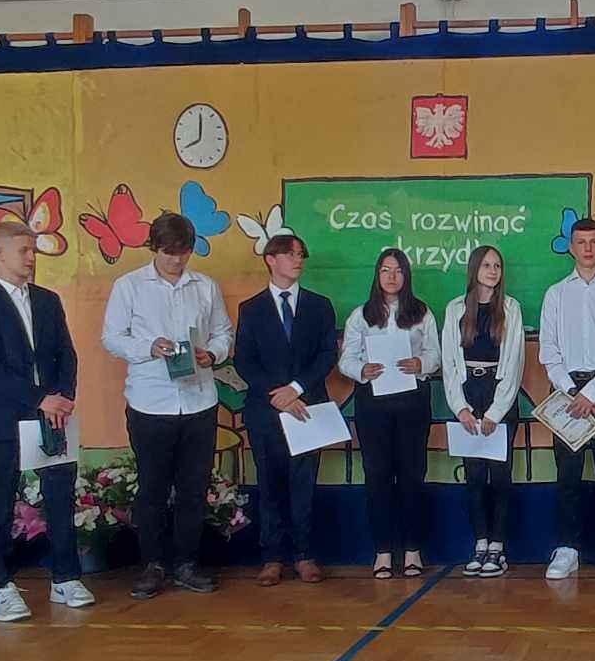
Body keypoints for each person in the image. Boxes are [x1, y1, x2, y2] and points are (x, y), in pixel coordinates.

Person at [0, 219, 92, 621]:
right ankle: (0, 585)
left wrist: (62, 398)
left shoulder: (48, 300)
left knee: (60, 494)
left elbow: (66, 354)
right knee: (1, 497)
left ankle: (65, 577)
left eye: (34, 250)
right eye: (24, 250)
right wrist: (38, 398)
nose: (32, 257)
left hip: (53, 415)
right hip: (5, 416)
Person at [102, 212, 233, 600]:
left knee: (194, 488)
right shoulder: (129, 286)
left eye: (184, 252)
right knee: (153, 489)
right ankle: (153, 564)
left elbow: (224, 333)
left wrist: (213, 353)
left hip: (199, 401)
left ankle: (187, 564)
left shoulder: (205, 286)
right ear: (154, 248)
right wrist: (149, 347)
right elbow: (111, 337)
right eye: (169, 252)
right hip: (150, 402)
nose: (177, 260)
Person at [233, 233, 339, 588]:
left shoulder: (319, 305)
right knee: (270, 483)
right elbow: (244, 360)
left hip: (307, 408)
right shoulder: (251, 309)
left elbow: (327, 354)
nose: (298, 260)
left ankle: (304, 554)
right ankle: (272, 557)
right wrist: (277, 394)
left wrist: (296, 389)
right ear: (271, 259)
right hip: (266, 410)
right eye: (291, 254)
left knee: (303, 484)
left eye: (301, 255)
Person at [538, 218, 595, 580]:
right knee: (568, 475)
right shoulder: (556, 294)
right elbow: (548, 350)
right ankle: (568, 549)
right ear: (571, 247)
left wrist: (591, 392)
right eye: (581, 242)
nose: (588, 248)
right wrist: (573, 392)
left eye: (594, 241)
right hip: (565, 395)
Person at [338, 248, 441, 579]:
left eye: (398, 270)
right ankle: (382, 551)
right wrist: (361, 369)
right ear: (377, 275)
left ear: (406, 275)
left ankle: (412, 550)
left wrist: (421, 363)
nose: (391, 276)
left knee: (412, 474)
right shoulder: (361, 315)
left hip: (412, 401)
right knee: (377, 475)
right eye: (385, 270)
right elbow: (346, 359)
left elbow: (435, 354)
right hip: (373, 403)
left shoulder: (421, 312)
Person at [441, 246, 526, 577]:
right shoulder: (455, 309)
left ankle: (498, 548)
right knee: (474, 475)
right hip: (467, 394)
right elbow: (449, 363)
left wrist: (495, 412)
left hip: (499, 395)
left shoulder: (511, 308)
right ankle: (480, 543)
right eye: (486, 265)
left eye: (497, 266)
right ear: (474, 269)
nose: (492, 271)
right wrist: (461, 408)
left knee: (500, 475)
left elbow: (515, 361)